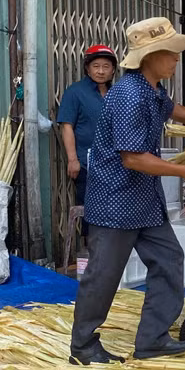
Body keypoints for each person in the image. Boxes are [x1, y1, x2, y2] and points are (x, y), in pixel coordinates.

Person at [70, 17, 185, 365]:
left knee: (169, 260)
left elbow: (171, 109)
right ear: (150, 56)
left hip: (144, 202)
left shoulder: (152, 90)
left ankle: (153, 338)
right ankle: (83, 347)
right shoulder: (128, 95)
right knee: (103, 275)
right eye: (171, 52)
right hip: (115, 200)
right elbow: (134, 159)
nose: (177, 59)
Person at [57, 44, 117, 236]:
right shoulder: (75, 92)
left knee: (115, 211)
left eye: (106, 66)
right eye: (96, 66)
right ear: (87, 68)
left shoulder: (117, 94)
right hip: (86, 165)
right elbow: (66, 126)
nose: (100, 71)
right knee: (91, 213)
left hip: (116, 164)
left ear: (113, 70)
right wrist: (72, 159)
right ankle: (91, 258)